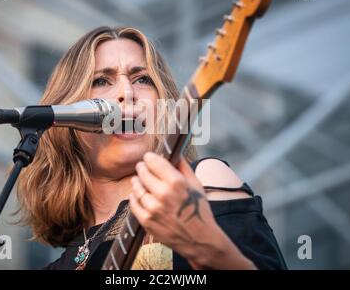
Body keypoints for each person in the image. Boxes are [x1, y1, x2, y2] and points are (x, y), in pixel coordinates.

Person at [16, 26, 287, 270]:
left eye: (142, 79)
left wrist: (211, 251)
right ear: (66, 116)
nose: (127, 93)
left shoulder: (204, 183)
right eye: (101, 81)